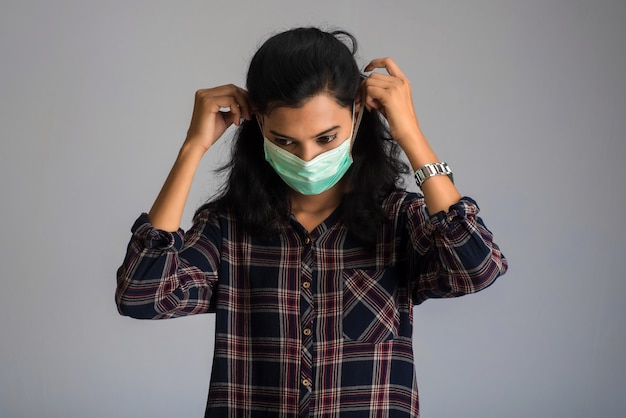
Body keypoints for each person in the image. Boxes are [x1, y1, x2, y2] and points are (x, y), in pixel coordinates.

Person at [116, 27, 508, 418]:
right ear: (260, 129)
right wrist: (192, 148)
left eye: (325, 138)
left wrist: (409, 132)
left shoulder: (399, 221)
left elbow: (477, 267)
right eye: (285, 141)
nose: (306, 157)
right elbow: (142, 294)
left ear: (357, 115)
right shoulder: (227, 229)